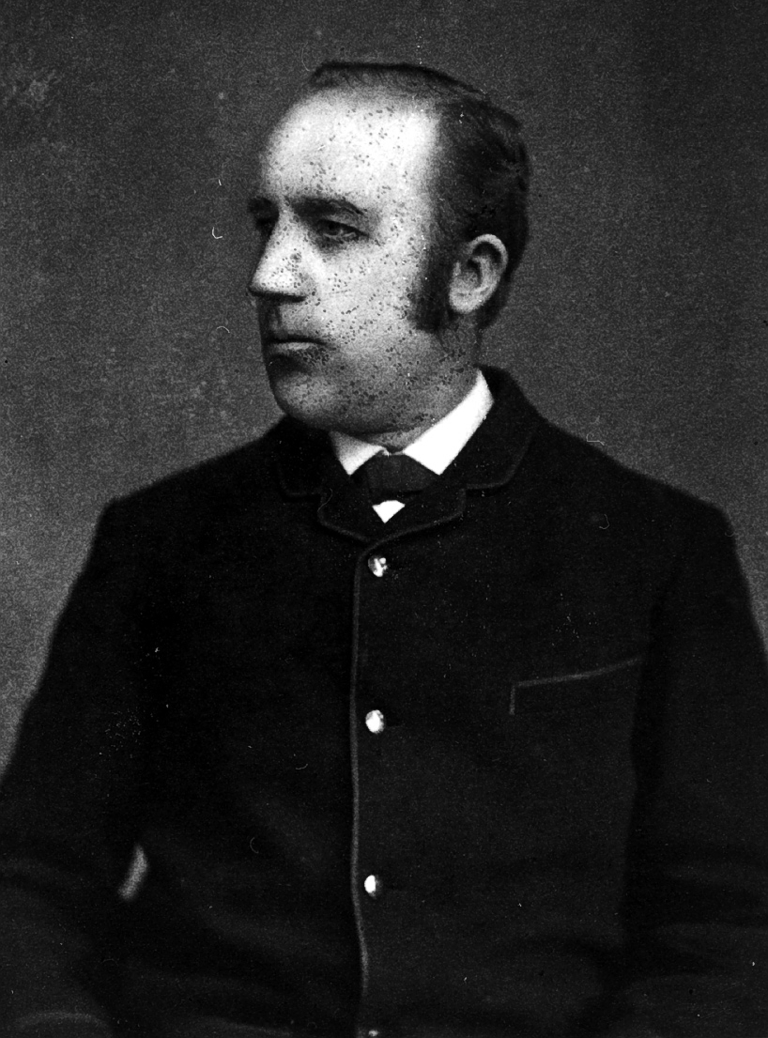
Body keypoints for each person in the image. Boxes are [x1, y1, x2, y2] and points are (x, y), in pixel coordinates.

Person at [1, 61, 767, 1038]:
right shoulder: (160, 542)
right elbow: (32, 882)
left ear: (469, 274)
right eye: (266, 224)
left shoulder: (657, 551)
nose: (270, 274)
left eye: (332, 229)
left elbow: (725, 932)